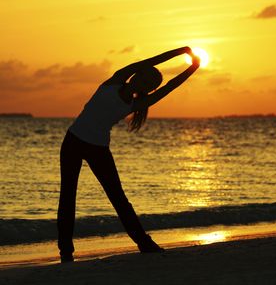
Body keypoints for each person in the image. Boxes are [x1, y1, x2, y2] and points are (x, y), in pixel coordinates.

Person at [57, 46, 200, 262]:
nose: (144, 83)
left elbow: (170, 86)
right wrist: (182, 51)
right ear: (137, 75)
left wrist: (193, 68)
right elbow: (152, 59)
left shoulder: (138, 103)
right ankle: (66, 252)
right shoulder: (115, 80)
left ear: (148, 89)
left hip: (98, 148)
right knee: (68, 197)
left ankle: (144, 243)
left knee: (118, 199)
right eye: (144, 78)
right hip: (73, 141)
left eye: (150, 85)